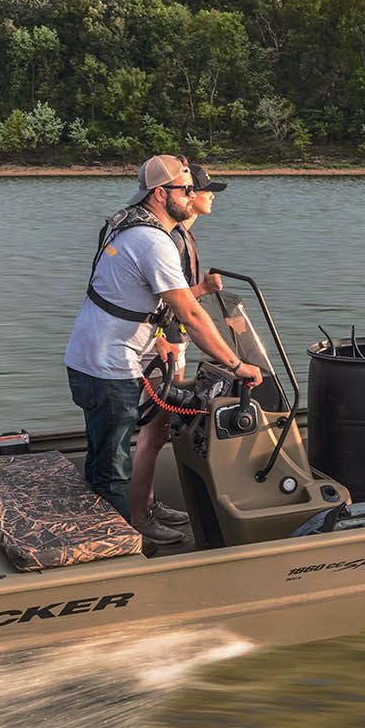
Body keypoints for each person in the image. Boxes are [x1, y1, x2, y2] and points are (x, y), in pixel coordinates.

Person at [64, 155, 260, 530]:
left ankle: (102, 534)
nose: (192, 195)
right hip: (108, 367)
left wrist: (159, 340)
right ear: (159, 194)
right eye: (185, 190)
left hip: (91, 360)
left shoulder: (133, 228)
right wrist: (236, 365)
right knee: (112, 474)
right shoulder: (153, 241)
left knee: (101, 461)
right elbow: (191, 314)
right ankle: (120, 555)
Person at [128, 161, 227, 545]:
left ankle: (150, 504)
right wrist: (164, 341)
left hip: (175, 342)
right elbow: (170, 304)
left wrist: (200, 290)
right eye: (201, 190)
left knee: (161, 431)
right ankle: (140, 515)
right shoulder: (165, 238)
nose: (207, 197)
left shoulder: (181, 235)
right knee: (153, 435)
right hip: (163, 346)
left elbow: (180, 296)